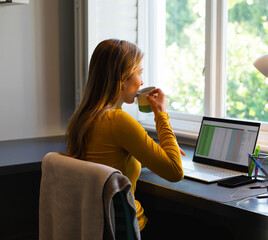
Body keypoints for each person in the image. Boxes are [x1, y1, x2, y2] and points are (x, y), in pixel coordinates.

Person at [65, 39, 184, 235]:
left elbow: (108, 159)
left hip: (98, 223)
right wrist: (161, 113)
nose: (142, 82)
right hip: (128, 225)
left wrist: (153, 154)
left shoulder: (84, 117)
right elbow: (175, 172)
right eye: (139, 73)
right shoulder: (118, 121)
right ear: (123, 80)